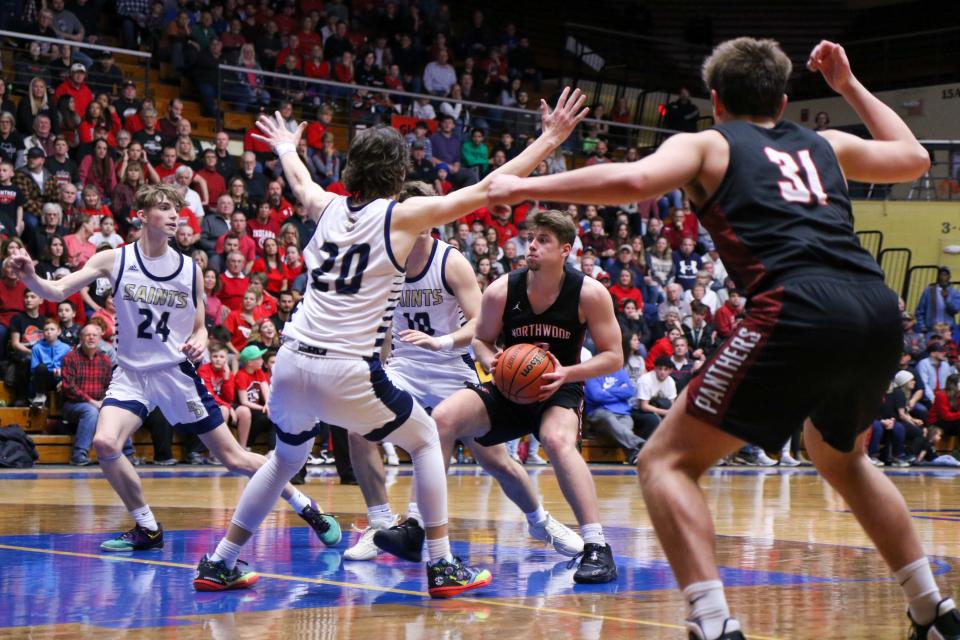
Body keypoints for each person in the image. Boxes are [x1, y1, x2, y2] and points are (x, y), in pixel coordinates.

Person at [486, 38, 958, 639]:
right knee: (842, 457)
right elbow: (914, 157)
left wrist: (527, 187)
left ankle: (712, 623)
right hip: (876, 309)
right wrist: (848, 86)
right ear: (784, 101)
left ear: (714, 100)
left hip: (797, 306)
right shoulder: (826, 145)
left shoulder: (707, 143)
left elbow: (634, 180)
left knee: (665, 462)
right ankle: (930, 609)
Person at [201, 89, 587, 595]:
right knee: (428, 438)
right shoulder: (401, 218)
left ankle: (221, 560)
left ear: (352, 169)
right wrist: (551, 138)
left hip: (292, 362)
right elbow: (493, 187)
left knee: (282, 460)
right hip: (347, 366)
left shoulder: (327, 207)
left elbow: (300, 182)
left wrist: (286, 146)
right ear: (398, 175)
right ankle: (442, 563)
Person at [4, 183, 339, 556]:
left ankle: (305, 505)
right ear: (142, 217)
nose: (174, 214)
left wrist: (199, 338)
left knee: (233, 458)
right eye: (164, 207)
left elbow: (199, 323)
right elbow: (56, 290)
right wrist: (32, 277)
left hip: (175, 374)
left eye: (177, 209)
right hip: (131, 373)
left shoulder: (189, 271)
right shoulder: (114, 260)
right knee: (104, 443)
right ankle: (147, 526)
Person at [344, 182, 581, 563]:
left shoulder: (449, 261)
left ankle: (541, 521)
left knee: (497, 461)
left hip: (452, 368)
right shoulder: (387, 261)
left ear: (428, 221)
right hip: (405, 367)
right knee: (358, 426)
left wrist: (442, 342)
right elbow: (386, 323)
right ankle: (381, 524)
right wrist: (380, 364)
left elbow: (480, 324)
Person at [422, 208, 622, 585]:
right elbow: (481, 340)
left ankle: (596, 546)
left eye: (543, 240)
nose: (532, 245)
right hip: (509, 383)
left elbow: (614, 356)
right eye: (531, 238)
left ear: (565, 249)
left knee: (556, 441)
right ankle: (426, 532)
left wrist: (567, 372)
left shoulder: (589, 293)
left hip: (560, 385)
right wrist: (492, 360)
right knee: (442, 420)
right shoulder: (502, 289)